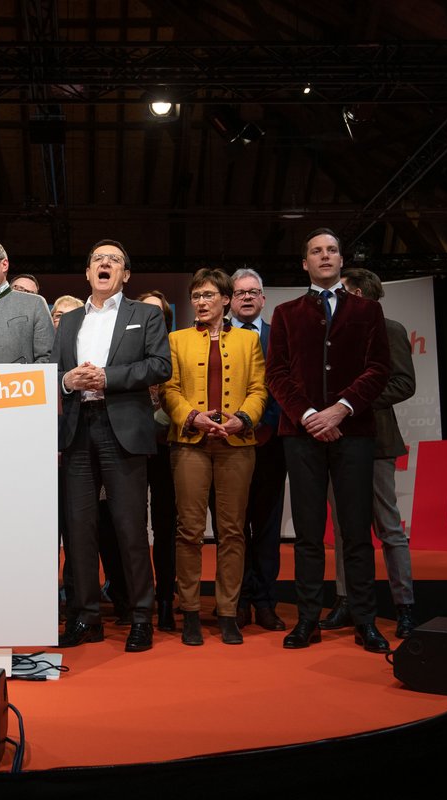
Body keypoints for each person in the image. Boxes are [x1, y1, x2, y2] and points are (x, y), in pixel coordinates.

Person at [267, 228, 391, 654]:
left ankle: (365, 620)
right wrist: (308, 416)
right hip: (300, 435)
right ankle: (307, 620)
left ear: (341, 260)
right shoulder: (285, 313)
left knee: (356, 532)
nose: (324, 256)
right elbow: (276, 375)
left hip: (353, 432)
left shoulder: (368, 310)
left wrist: (340, 409)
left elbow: (378, 369)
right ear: (305, 263)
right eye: (316, 251)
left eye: (331, 250)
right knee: (307, 533)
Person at [55, 240, 171, 652]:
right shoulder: (68, 321)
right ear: (88, 273)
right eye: (97, 260)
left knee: (129, 529)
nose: (105, 264)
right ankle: (85, 618)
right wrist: (69, 381)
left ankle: (141, 616)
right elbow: (54, 372)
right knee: (79, 532)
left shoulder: (145, 315)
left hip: (122, 427)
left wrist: (108, 377)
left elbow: (160, 365)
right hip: (77, 429)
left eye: (114, 260)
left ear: (125, 274)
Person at [163, 269, 266, 646]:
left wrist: (243, 419)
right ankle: (189, 610)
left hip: (237, 445)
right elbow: (169, 389)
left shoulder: (248, 342)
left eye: (209, 295)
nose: (201, 302)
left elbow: (259, 388)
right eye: (196, 296)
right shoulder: (176, 340)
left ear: (226, 299)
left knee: (233, 532)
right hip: (190, 442)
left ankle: (227, 612)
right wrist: (193, 416)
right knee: (189, 530)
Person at [321, 267, 418, 638]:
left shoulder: (389, 328)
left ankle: (404, 605)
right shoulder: (336, 333)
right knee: (344, 529)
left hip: (376, 442)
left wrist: (352, 403)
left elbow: (404, 383)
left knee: (389, 528)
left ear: (358, 293)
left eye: (343, 292)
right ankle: (346, 599)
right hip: (338, 440)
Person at [228, 268, 287, 632]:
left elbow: (286, 383)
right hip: (230, 444)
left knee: (265, 527)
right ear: (229, 300)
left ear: (263, 298)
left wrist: (267, 424)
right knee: (233, 528)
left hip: (270, 443)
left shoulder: (279, 336)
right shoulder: (217, 337)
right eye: (240, 293)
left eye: (254, 292)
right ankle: (238, 601)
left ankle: (265, 602)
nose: (247, 297)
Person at [136, 290, 178, 632]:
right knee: (130, 526)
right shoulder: (126, 347)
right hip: (130, 448)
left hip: (168, 449)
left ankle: (166, 599)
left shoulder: (177, 347)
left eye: (157, 314)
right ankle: (135, 598)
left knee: (166, 526)